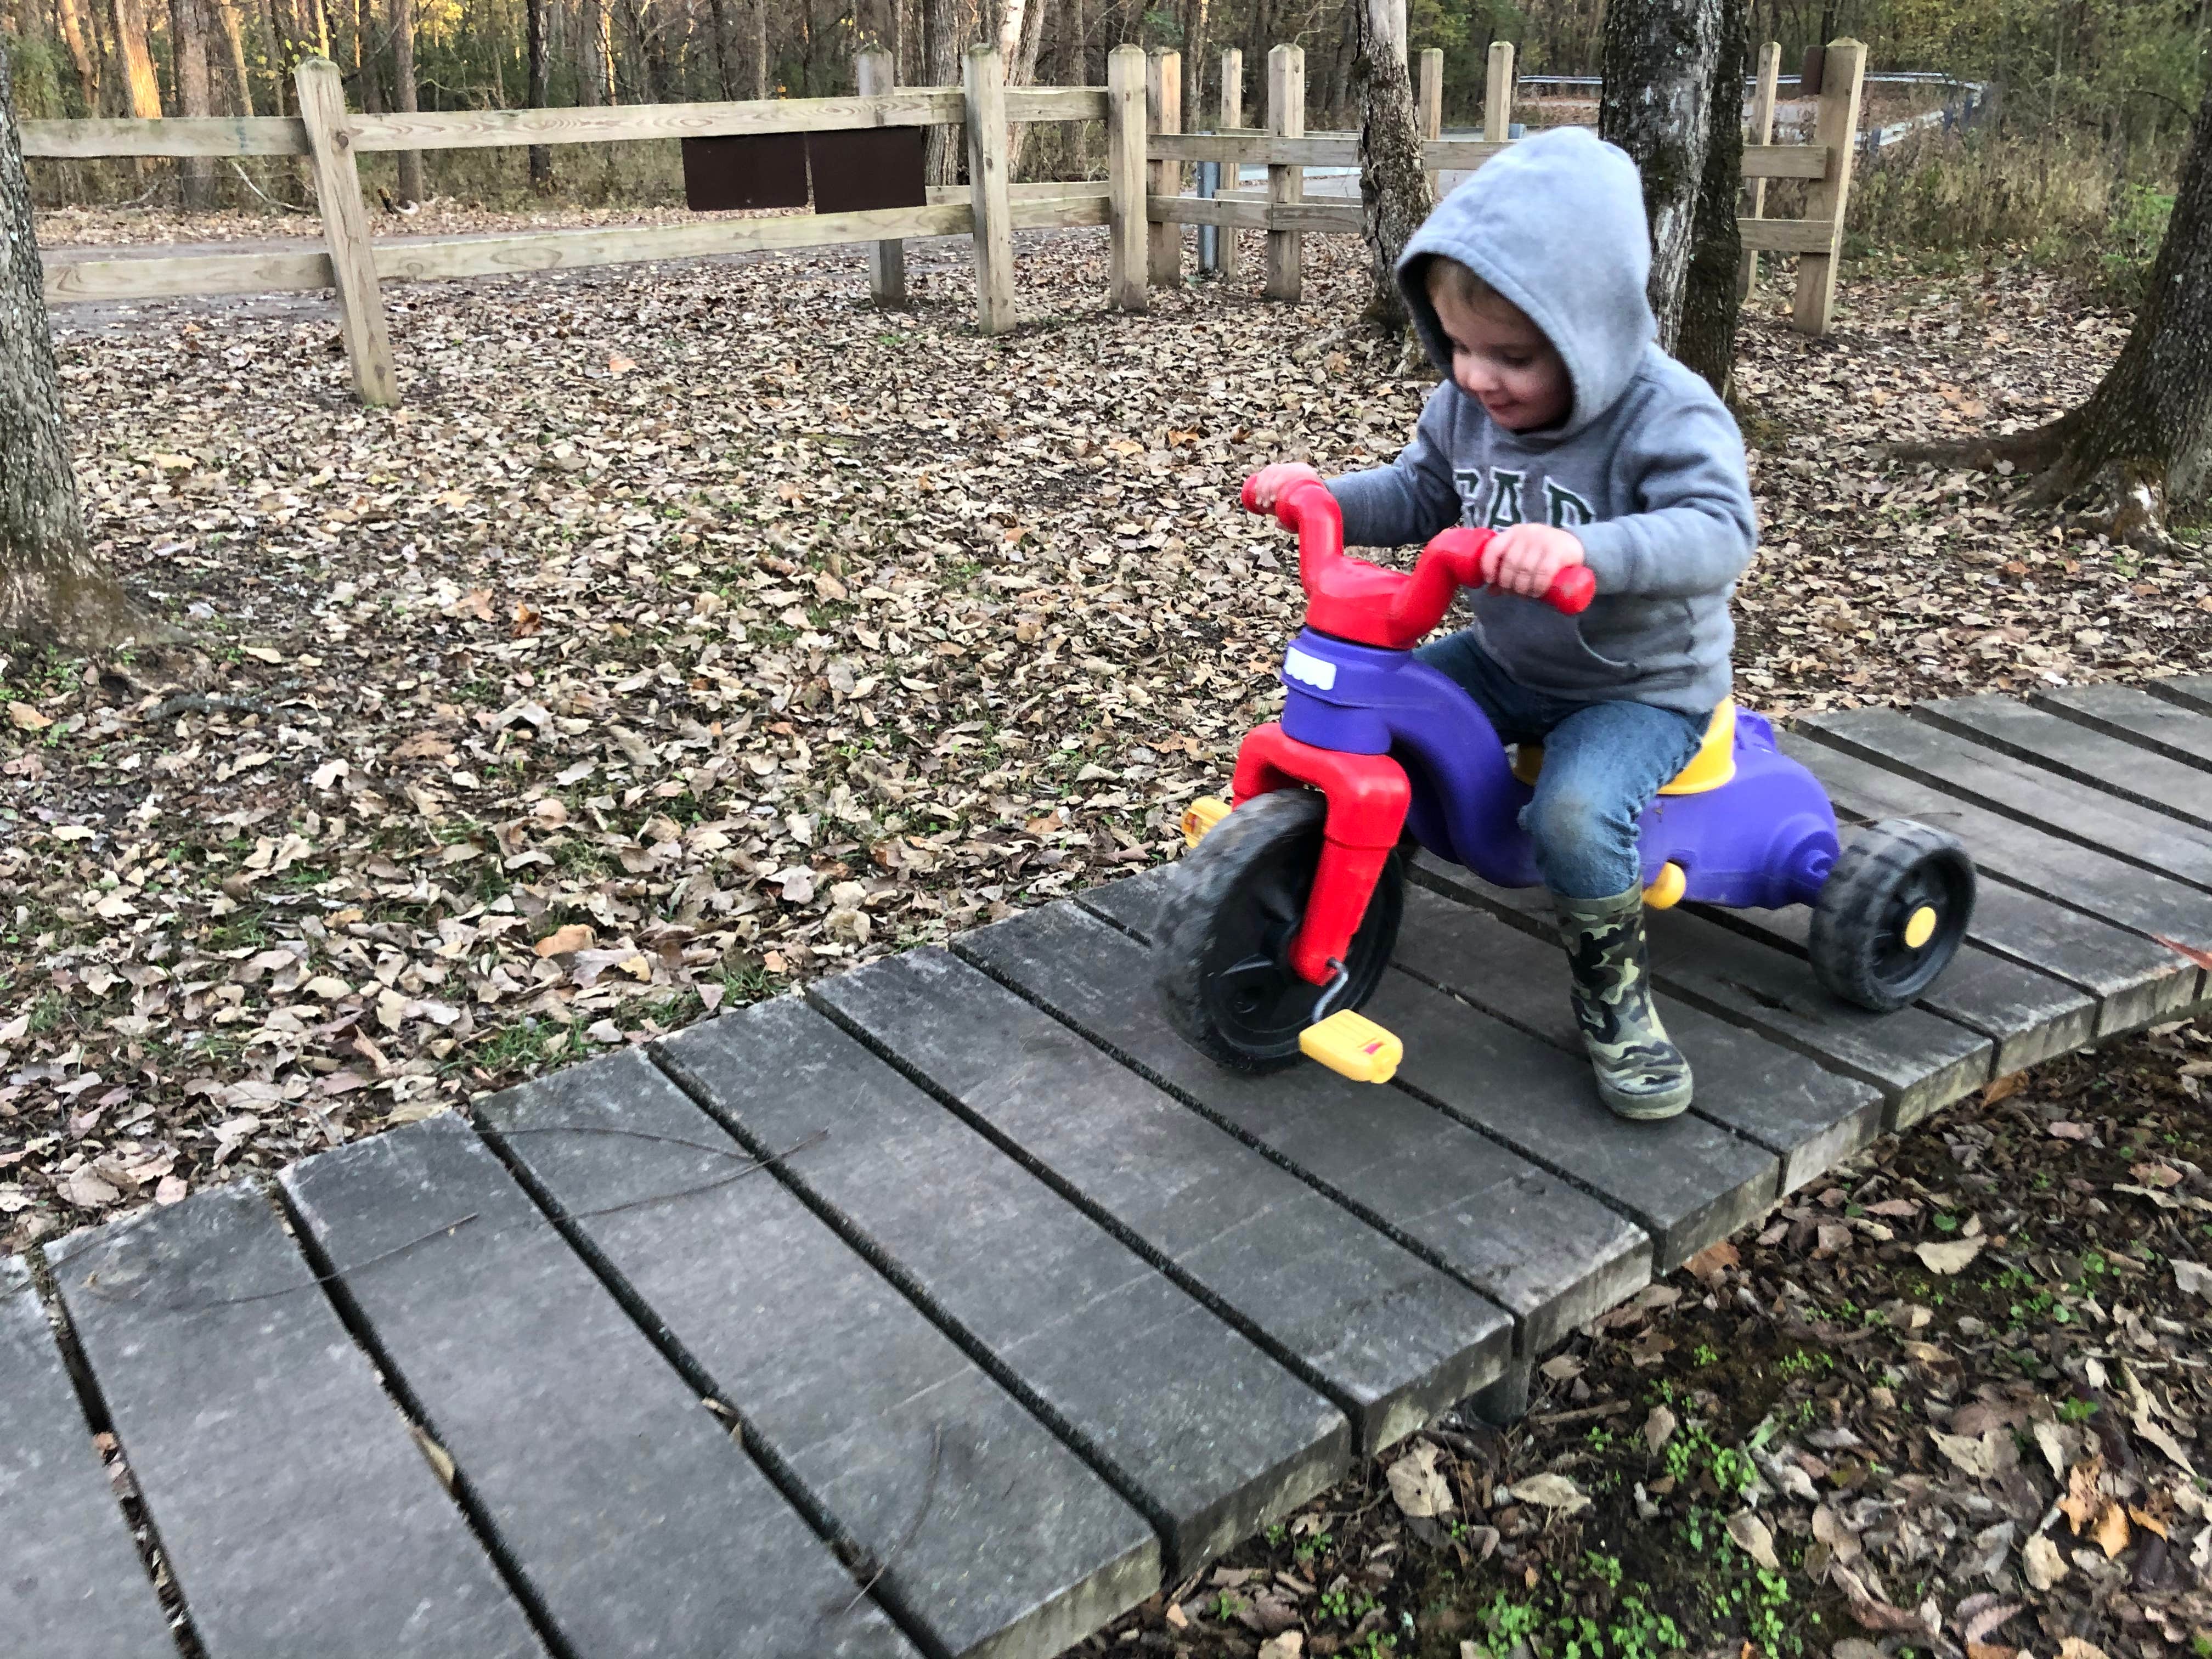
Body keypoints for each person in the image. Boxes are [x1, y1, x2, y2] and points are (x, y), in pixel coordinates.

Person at [1248, 127, 1758, 1122]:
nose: (1479, 378)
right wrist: (1326, 498)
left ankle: (1615, 1000)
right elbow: (1421, 490)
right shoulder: (1467, 405)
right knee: (1385, 707)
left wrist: (1589, 552)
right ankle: (1354, 882)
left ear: (1595, 331)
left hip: (1638, 683)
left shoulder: (1668, 415)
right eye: (1460, 348)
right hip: (1510, 656)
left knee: (1571, 816)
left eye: (1513, 357)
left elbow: (1719, 532)